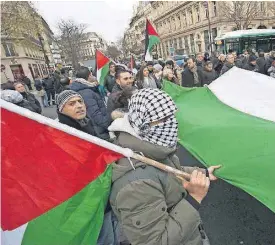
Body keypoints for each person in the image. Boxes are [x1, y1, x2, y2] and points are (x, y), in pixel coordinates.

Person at [108, 88, 220, 245]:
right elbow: (155, 242)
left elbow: (168, 172)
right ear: (143, 123)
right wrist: (194, 199)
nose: (172, 122)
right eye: (164, 119)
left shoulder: (148, 149)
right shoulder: (136, 186)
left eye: (172, 116)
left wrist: (203, 174)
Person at [56, 90, 120, 245]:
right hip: (87, 202)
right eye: (72, 104)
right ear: (60, 109)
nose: (79, 106)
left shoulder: (85, 123)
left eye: (80, 101)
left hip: (101, 195)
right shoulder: (61, 135)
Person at [70, 66, 111, 140]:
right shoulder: (86, 93)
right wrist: (108, 125)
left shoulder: (83, 88)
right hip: (98, 131)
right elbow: (95, 114)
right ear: (89, 75)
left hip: (95, 129)